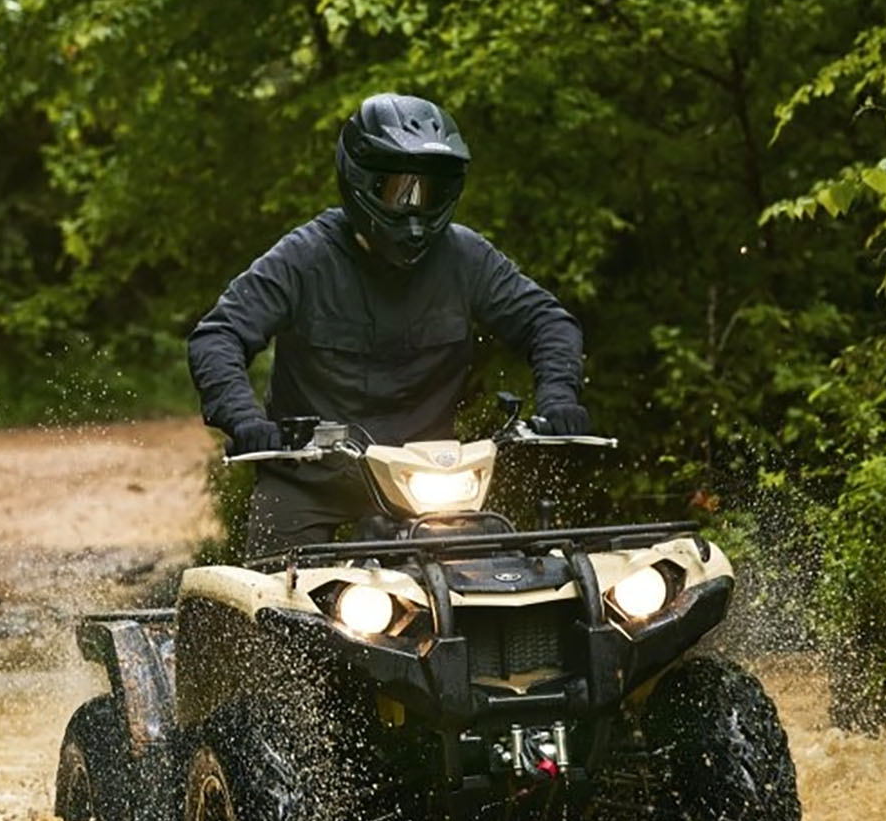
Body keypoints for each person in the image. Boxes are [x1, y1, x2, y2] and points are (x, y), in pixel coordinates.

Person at [186, 92, 589, 553]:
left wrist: (559, 396)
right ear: (360, 182)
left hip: (430, 482)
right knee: (274, 601)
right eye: (400, 191)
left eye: (429, 192)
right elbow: (219, 335)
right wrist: (244, 419)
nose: (415, 210)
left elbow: (546, 320)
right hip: (309, 479)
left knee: (496, 588)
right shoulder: (304, 258)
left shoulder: (466, 258)